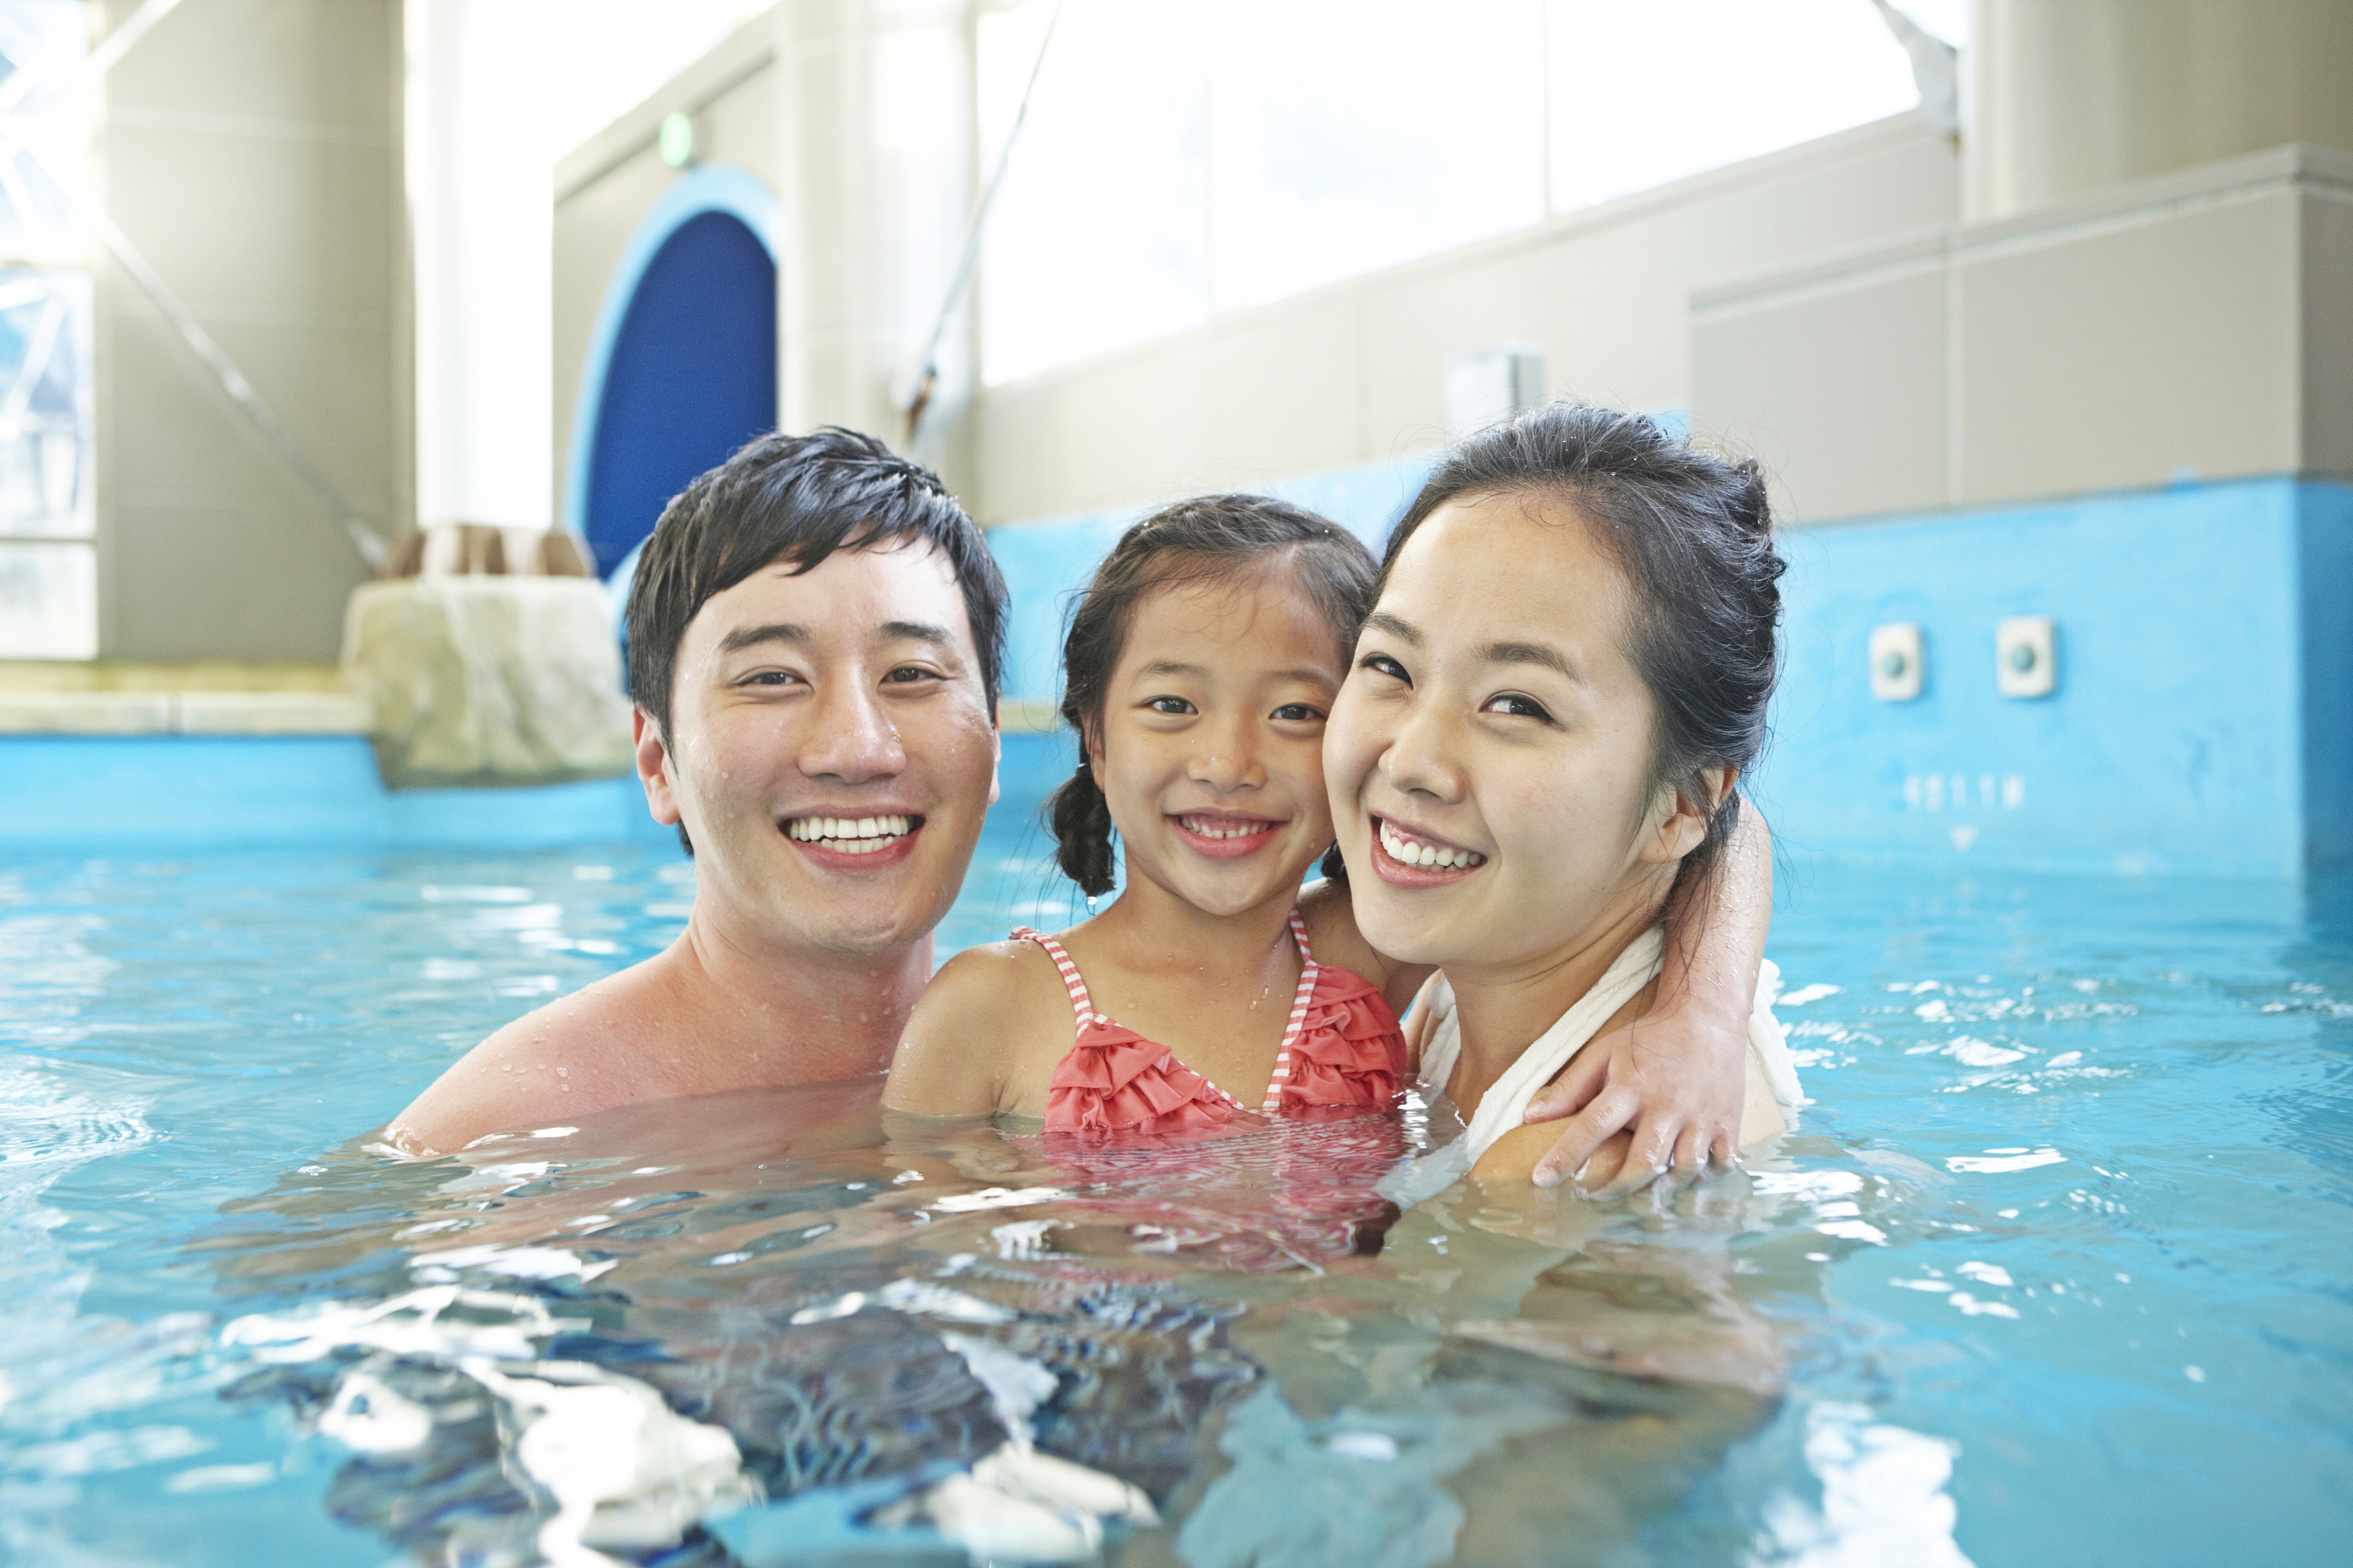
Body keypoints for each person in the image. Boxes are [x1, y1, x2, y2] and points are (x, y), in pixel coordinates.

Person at [884, 491, 1775, 1188]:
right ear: (1094, 736)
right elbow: (921, 1256)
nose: (1228, 761)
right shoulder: (991, 1006)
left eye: (1295, 713)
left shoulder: (1366, 952)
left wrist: (1701, 1016)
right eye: (1171, 705)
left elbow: (1722, 829)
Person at [385, 429, 1008, 1157]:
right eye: (772, 677)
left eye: (911, 674)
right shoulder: (508, 1133)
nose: (858, 749)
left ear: (993, 742)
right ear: (657, 761)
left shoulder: (1058, 1060)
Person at [1327, 401, 1803, 1195]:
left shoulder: (1587, 1157)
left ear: (1681, 805)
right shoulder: (1477, 965)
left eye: (1518, 704)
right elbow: (1734, 823)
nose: (1412, 760)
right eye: (1391, 667)